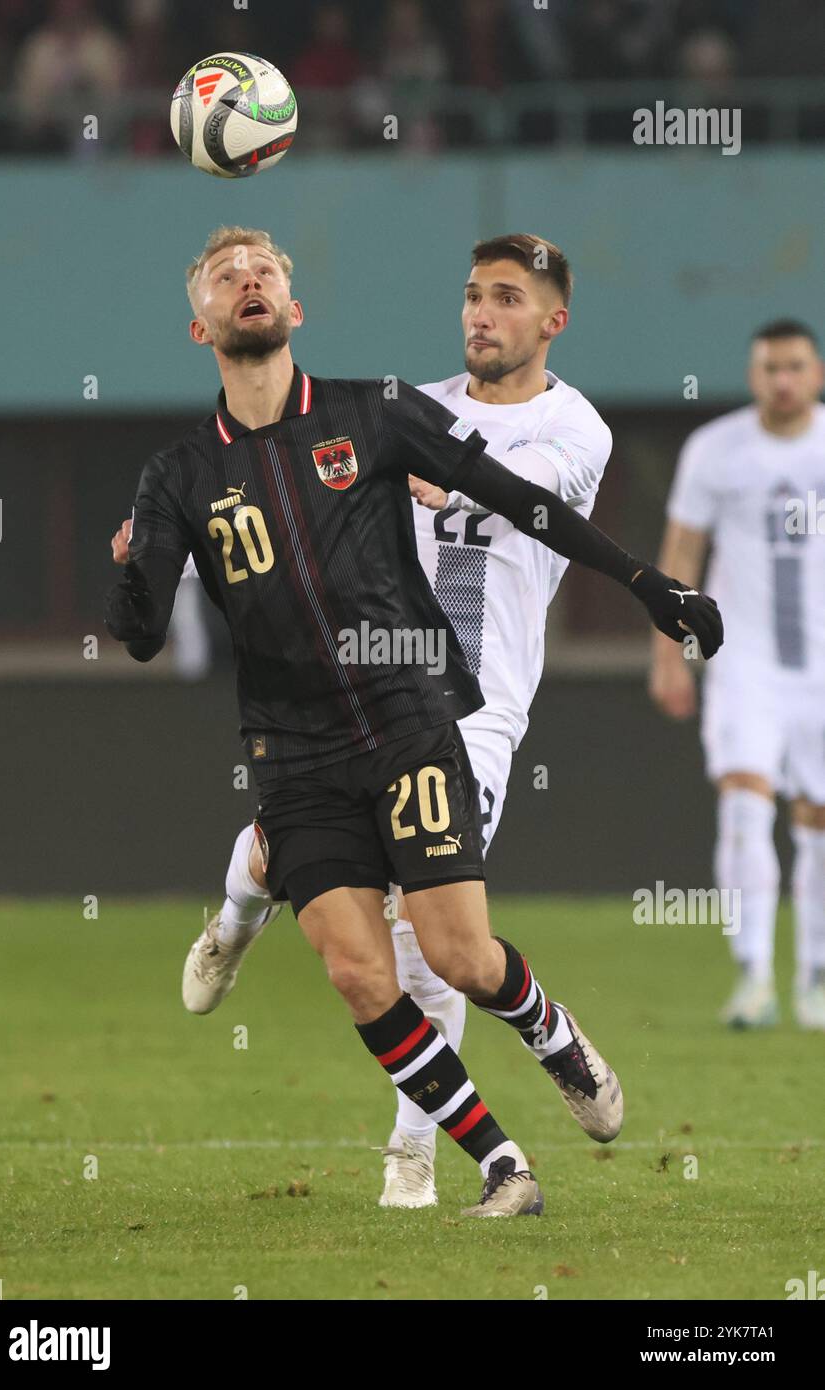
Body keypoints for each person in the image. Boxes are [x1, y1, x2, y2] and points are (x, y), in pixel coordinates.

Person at [105, 224, 723, 1216]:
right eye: (474, 293)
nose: (481, 311)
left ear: (551, 320)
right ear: (199, 321)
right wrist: (130, 570)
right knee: (345, 934)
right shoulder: (267, 445)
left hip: (448, 703)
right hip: (308, 726)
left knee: (445, 947)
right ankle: (447, 1144)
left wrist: (649, 585)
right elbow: (143, 620)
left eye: (507, 297)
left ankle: (453, 1103)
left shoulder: (554, 428)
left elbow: (514, 501)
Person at [650, 319, 825, 1030]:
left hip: (819, 669)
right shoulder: (715, 449)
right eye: (769, 368)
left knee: (815, 823)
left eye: (794, 367)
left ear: (815, 373)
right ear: (754, 376)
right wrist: (671, 655)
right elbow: (681, 555)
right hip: (744, 662)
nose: (782, 380)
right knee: (746, 803)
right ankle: (754, 975)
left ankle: (813, 978)